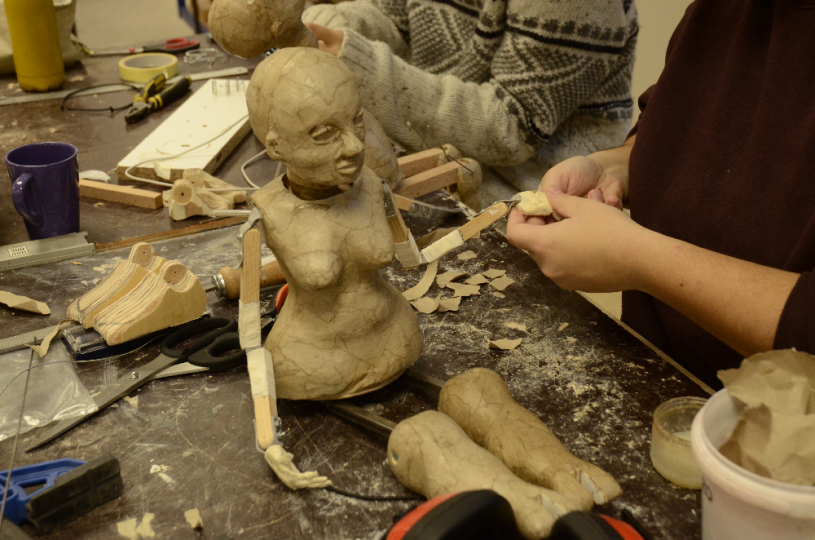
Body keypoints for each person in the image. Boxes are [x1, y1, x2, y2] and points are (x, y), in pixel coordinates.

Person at [505, 0, 815, 390]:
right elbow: (677, 125)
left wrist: (637, 258)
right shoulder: (723, 12)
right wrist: (611, 168)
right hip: (652, 373)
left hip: (775, 429)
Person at [303, 0, 639, 205]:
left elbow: (509, 129)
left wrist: (361, 66)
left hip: (530, 197)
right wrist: (318, 29)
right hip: (442, 156)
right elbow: (391, 18)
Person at [247, 47, 423, 401]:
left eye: (357, 120)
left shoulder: (373, 184)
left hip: (398, 338)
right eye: (324, 133)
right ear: (276, 147)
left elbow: (410, 254)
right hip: (310, 364)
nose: (355, 145)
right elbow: (247, 319)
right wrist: (254, 363)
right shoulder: (267, 210)